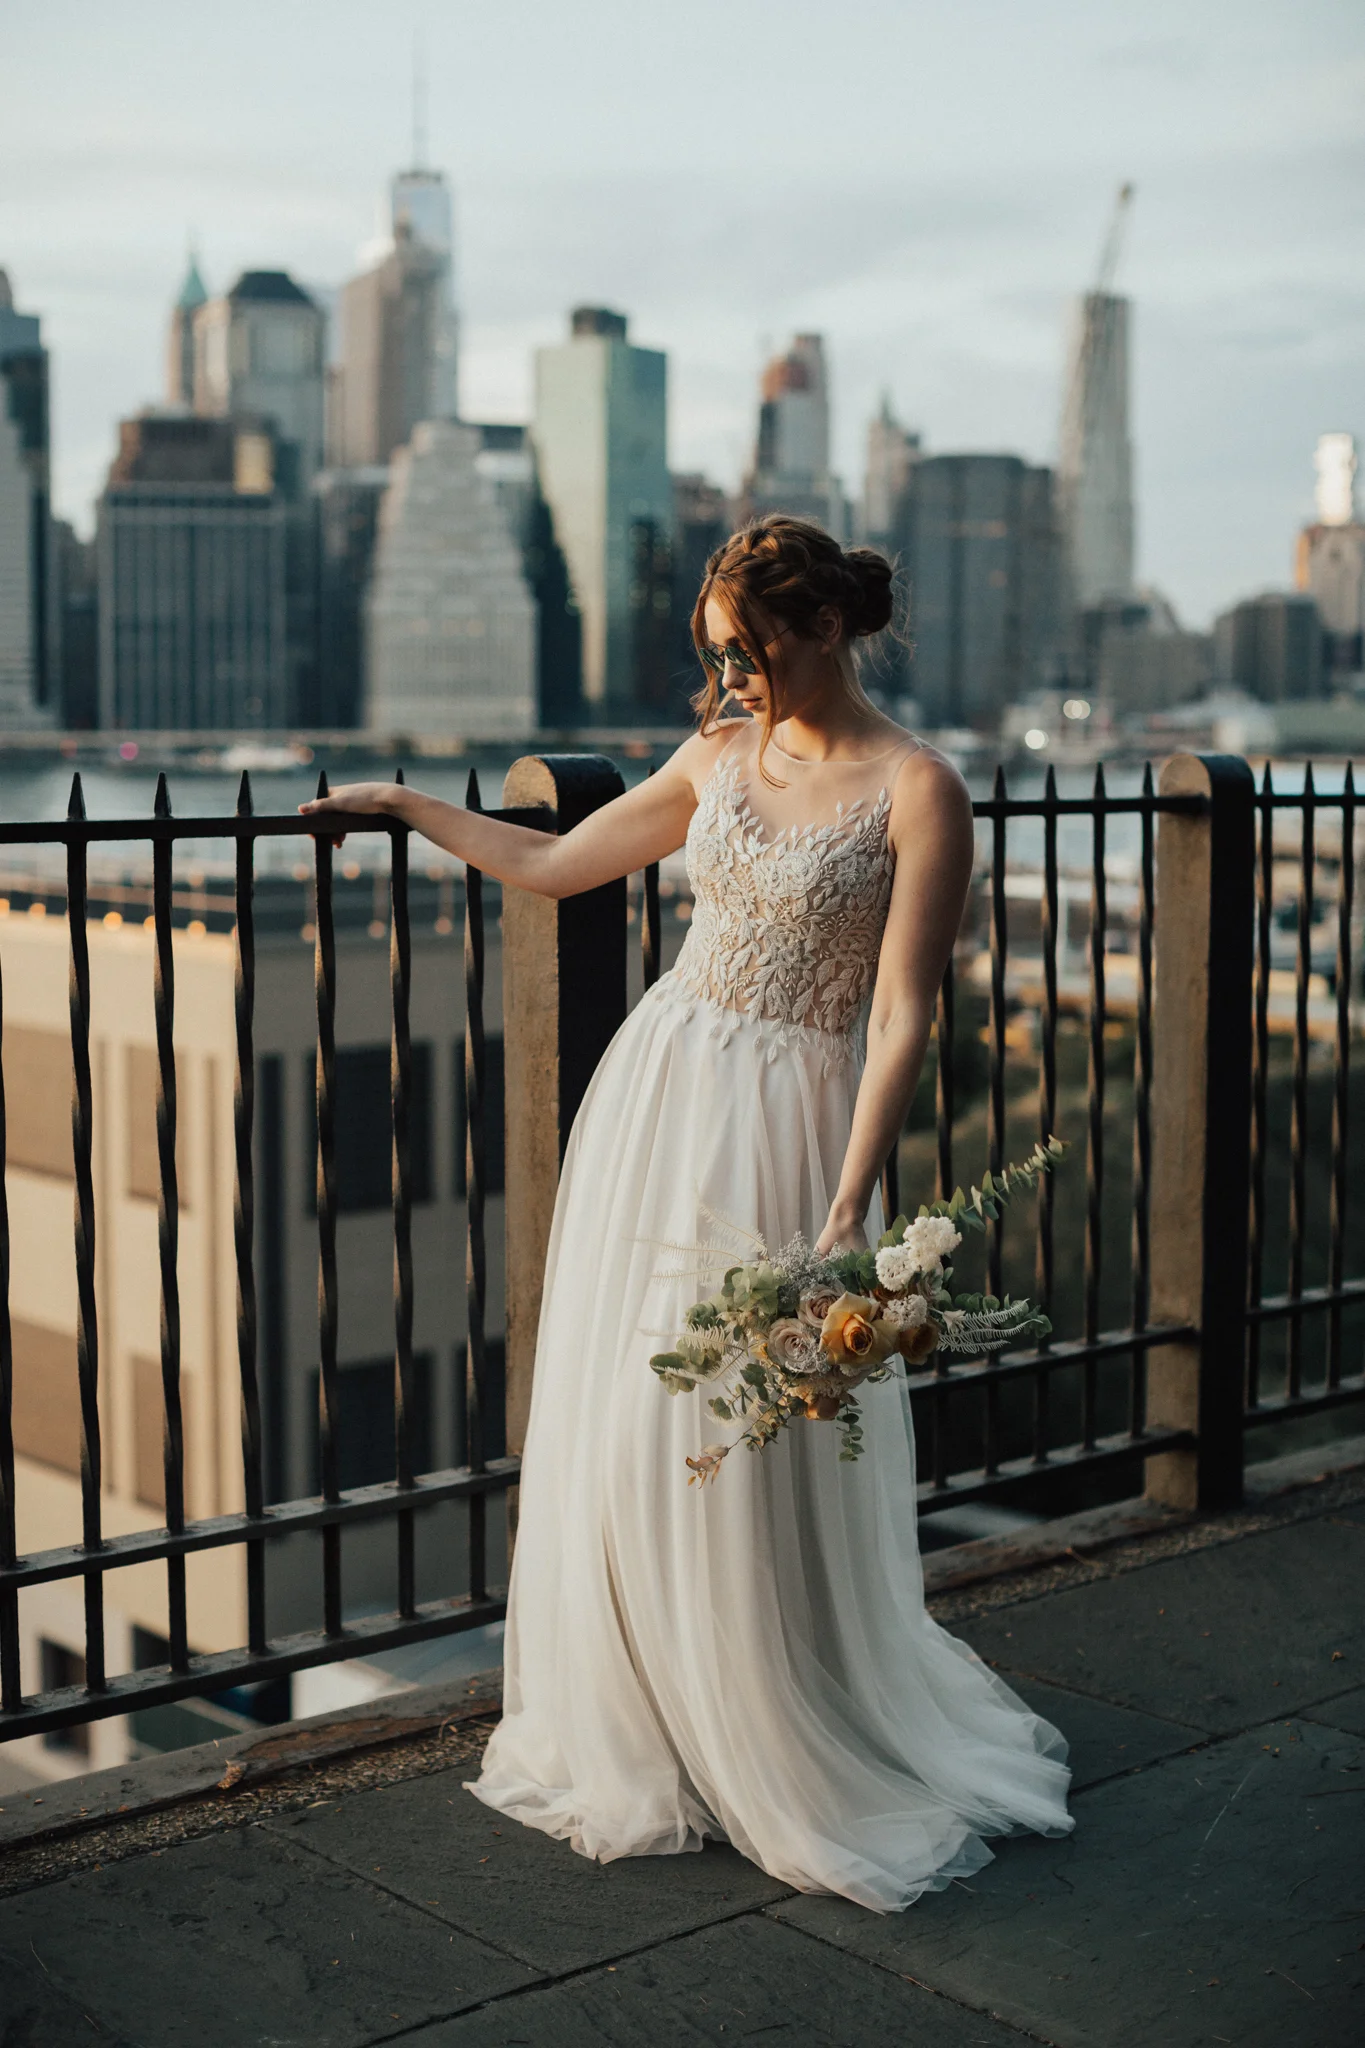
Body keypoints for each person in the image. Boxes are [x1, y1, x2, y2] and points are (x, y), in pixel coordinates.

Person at [299, 514, 1074, 1913]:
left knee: (741, 1431)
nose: (737, 675)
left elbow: (904, 1008)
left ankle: (770, 1719)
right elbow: (555, 867)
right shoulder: (716, 757)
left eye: (756, 644)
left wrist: (850, 1193)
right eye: (721, 650)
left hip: (791, 1125)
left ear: (829, 623)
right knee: (633, 1417)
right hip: (663, 1094)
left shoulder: (920, 789)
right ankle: (657, 1718)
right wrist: (407, 809)